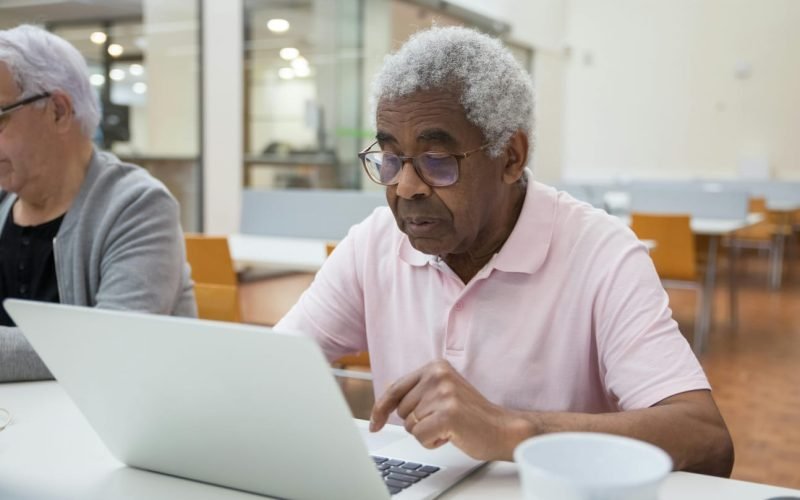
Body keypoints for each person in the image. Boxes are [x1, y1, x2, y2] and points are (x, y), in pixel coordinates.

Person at [275, 26, 734, 475]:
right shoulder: (374, 241)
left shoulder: (601, 253)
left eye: (437, 161)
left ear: (511, 157)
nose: (406, 186)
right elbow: (272, 366)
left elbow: (706, 438)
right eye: (391, 159)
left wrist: (514, 430)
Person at [0, 25, 196, 382]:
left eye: (0, 118)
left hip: (112, 432)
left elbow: (110, 346)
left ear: (58, 110)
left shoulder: (138, 207)